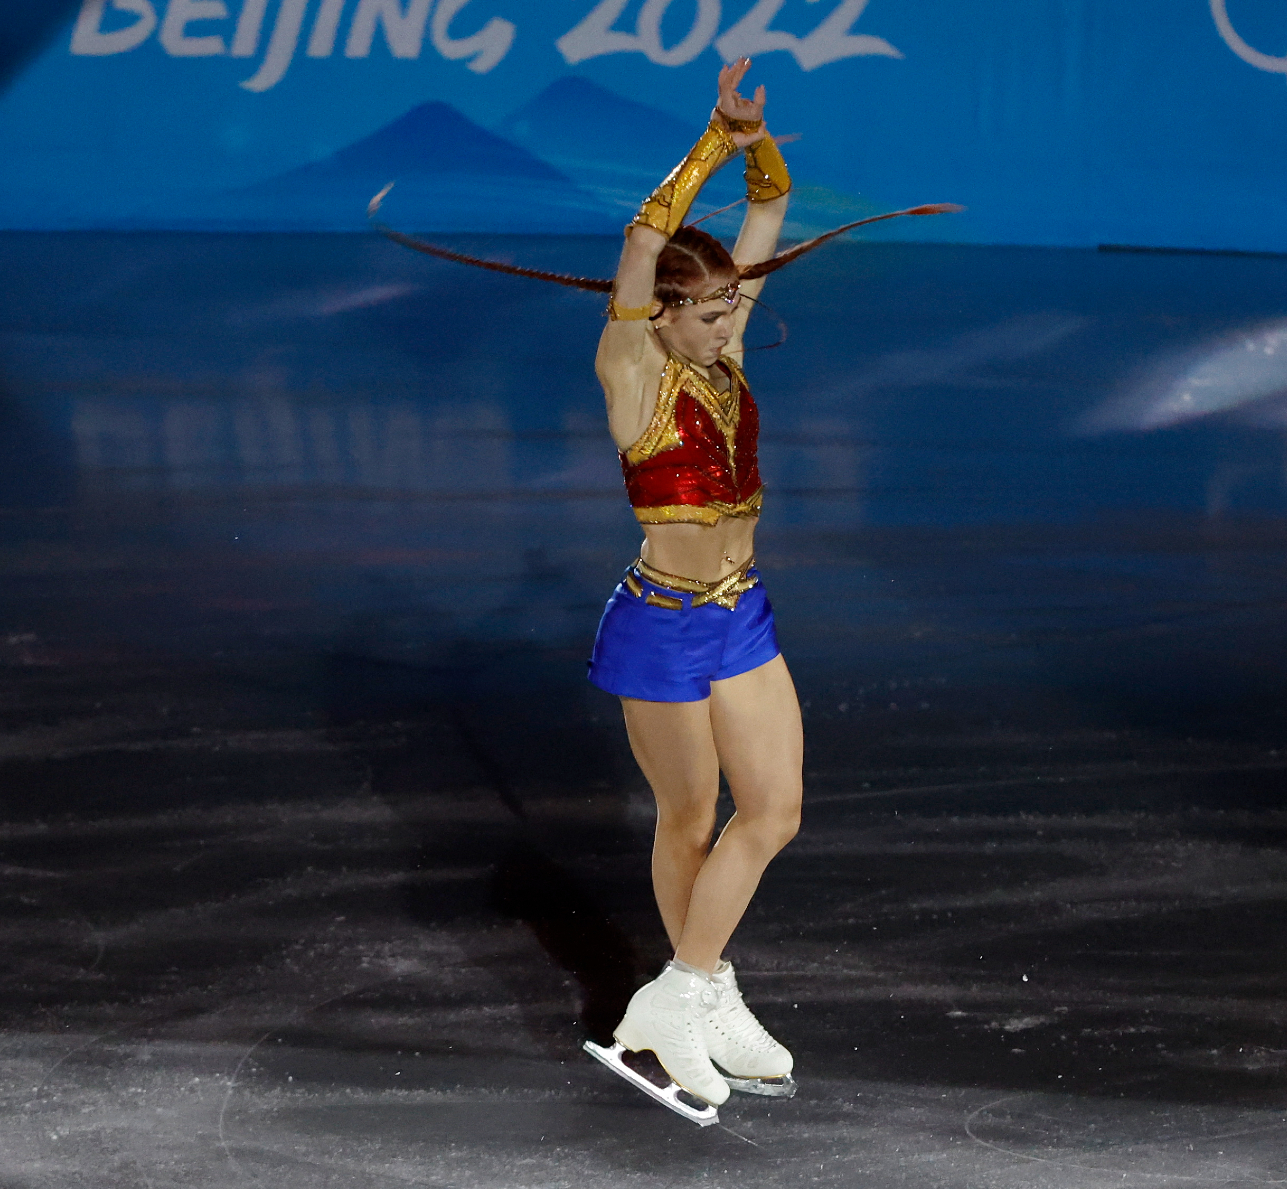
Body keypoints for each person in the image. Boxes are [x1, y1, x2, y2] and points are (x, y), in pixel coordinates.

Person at [369, 59, 955, 1125]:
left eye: (737, 304)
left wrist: (751, 140)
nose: (733, 323)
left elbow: (772, 204)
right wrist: (702, 144)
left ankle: (690, 992)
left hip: (743, 608)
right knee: (689, 818)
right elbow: (644, 246)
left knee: (771, 813)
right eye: (712, 311)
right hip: (659, 631)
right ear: (663, 319)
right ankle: (684, 1000)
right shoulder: (633, 367)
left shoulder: (722, 342)